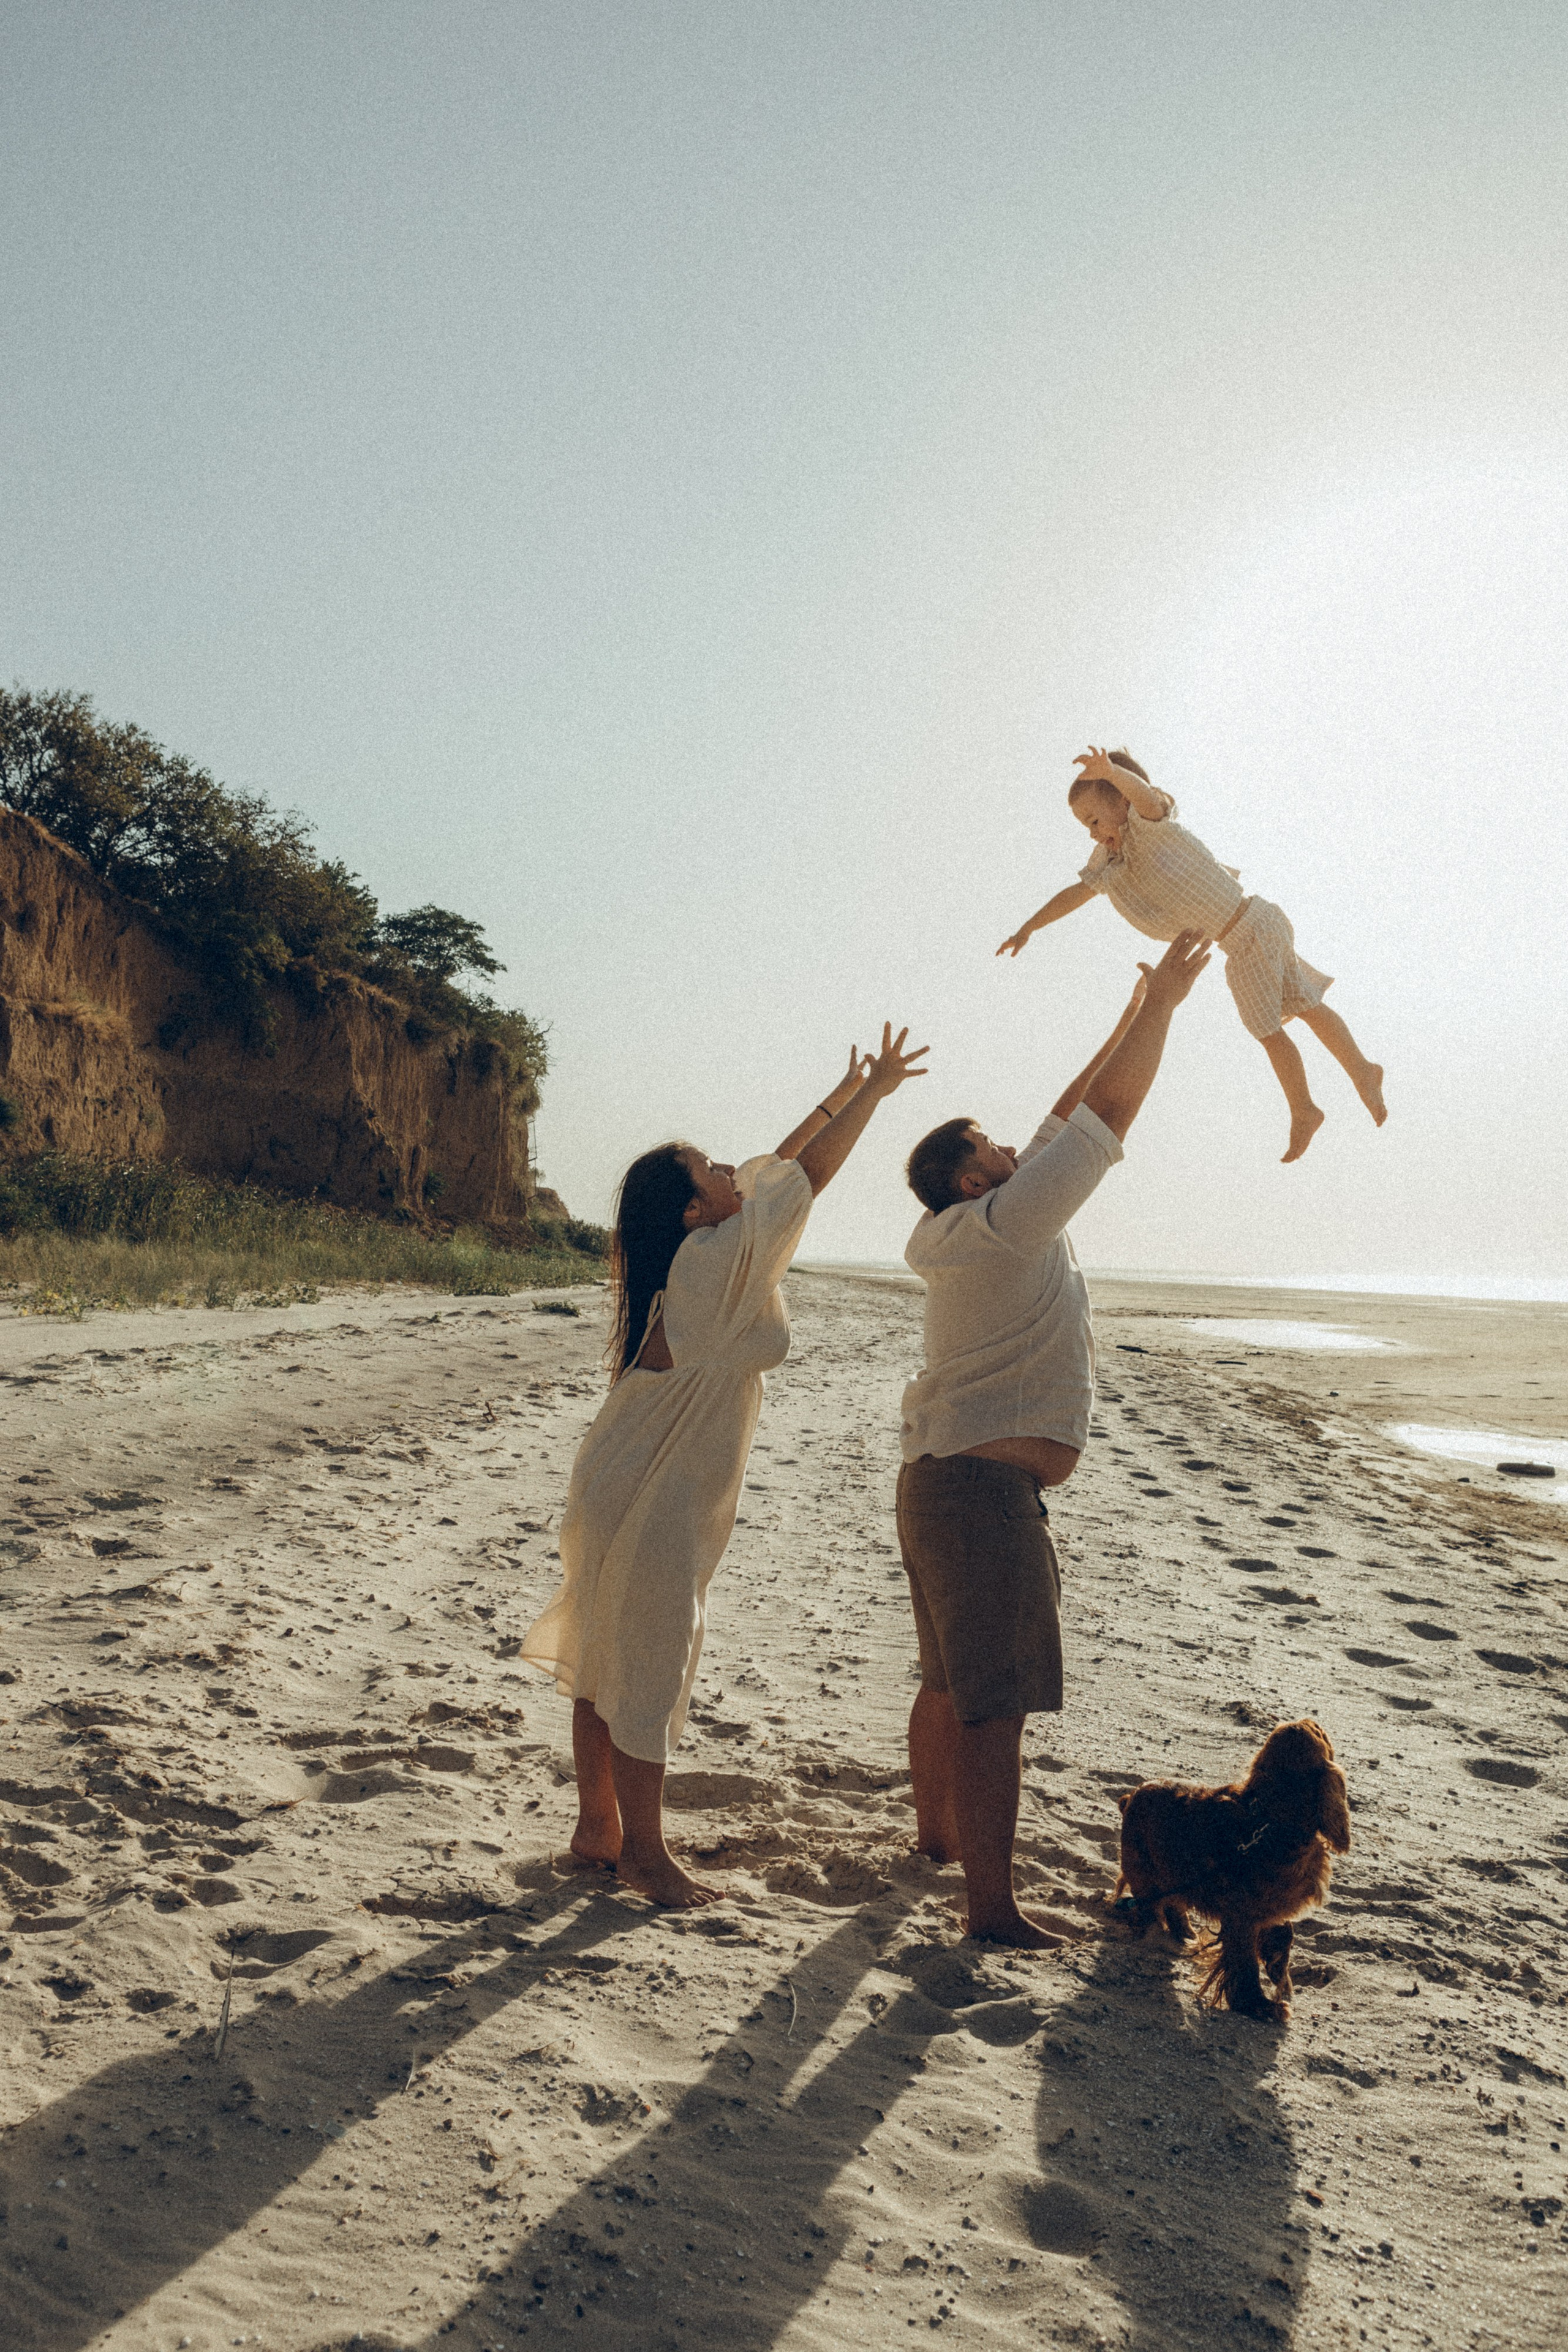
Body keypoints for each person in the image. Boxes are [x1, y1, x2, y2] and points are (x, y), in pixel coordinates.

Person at [521, 1024, 929, 1909]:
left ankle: (599, 1832)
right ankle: (647, 1855)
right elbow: (801, 1177)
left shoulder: (707, 1253)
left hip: (626, 1473)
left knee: (605, 1655)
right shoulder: (713, 1264)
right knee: (650, 1660)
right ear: (693, 1213)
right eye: (712, 1172)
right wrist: (874, 1097)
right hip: (651, 1491)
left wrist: (845, 1091)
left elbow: (774, 1172)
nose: (731, 1176)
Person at [897, 933, 1209, 1947]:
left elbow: (1070, 1107)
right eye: (989, 1147)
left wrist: (1129, 1015)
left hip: (942, 1482)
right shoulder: (1007, 1219)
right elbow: (1105, 1117)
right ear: (962, 1178)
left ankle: (935, 1842)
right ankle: (990, 1911)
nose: (1012, 1150)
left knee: (948, 1683)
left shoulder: (971, 1225)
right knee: (995, 1708)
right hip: (981, 1498)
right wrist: (1165, 1006)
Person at [997, 745, 1386, 1163]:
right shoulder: (1114, 860)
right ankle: (1362, 1068)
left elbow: (1144, 795)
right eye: (1085, 828)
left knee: (1266, 1028)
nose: (1093, 833)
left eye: (1094, 820)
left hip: (1247, 936)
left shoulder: (1149, 824)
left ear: (1123, 800)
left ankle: (1303, 1107)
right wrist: (1029, 927)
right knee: (1307, 1007)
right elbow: (1076, 894)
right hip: (1255, 924)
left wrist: (1111, 772)